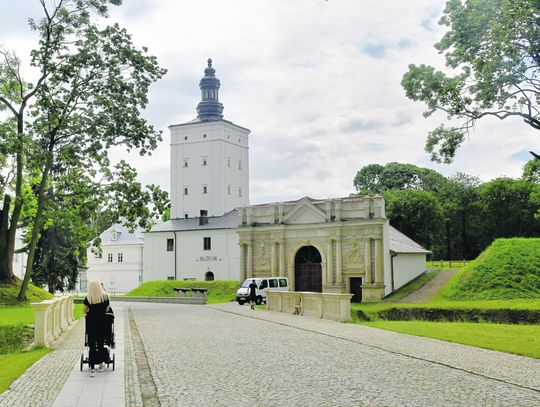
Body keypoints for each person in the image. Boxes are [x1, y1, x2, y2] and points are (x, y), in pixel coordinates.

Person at [83, 279, 110, 377]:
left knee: (92, 344)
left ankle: (92, 366)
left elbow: (84, 310)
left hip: (91, 324)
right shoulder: (105, 297)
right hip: (102, 323)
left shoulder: (88, 298)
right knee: (100, 343)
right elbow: (107, 309)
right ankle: (101, 364)